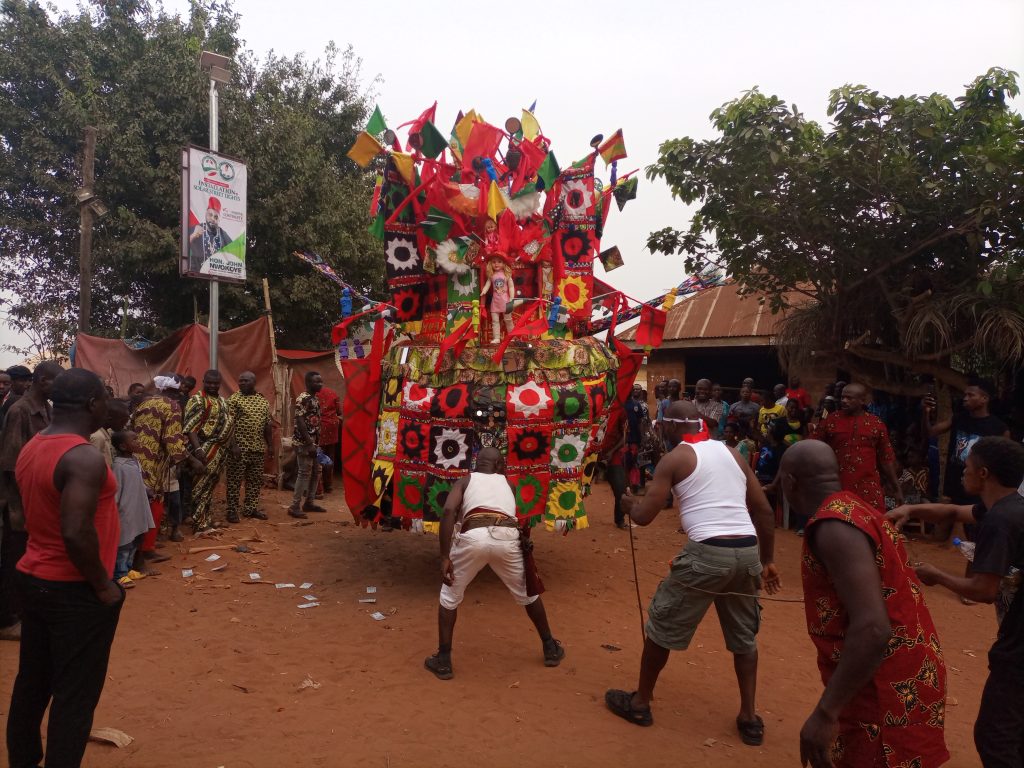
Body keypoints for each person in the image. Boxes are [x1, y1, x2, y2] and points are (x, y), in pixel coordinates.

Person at [604, 401, 780, 743]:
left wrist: (627, 504)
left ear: (670, 427)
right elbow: (763, 511)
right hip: (746, 553)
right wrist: (768, 560)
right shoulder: (732, 453)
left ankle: (640, 702)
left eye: (661, 426)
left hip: (707, 554)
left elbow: (642, 516)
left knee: (662, 625)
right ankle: (749, 717)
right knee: (744, 637)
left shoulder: (674, 459)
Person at [778, 440, 948, 768]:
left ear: (790, 481)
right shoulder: (853, 507)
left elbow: (872, 627)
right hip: (902, 672)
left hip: (884, 686)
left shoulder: (832, 527)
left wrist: (825, 713)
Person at [6, 369, 125, 768]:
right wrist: (103, 586)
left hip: (33, 577)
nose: (108, 405)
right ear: (93, 403)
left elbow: (28, 513)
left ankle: (24, 760)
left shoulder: (35, 445)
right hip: (73, 589)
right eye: (105, 398)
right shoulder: (83, 457)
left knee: (32, 682)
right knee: (75, 693)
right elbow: (76, 532)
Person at [887, 437, 1024, 768]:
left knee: (995, 736)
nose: (963, 472)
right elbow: (951, 510)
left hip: (1019, 646)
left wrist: (936, 574)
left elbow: (982, 589)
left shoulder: (1000, 522)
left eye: (968, 467)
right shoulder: (1010, 508)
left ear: (984, 474)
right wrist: (910, 508)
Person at [424, 447, 564, 680]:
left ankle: (444, 660)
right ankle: (550, 647)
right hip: (507, 537)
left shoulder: (465, 481)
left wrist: (444, 556)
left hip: (473, 536)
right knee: (528, 594)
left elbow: (448, 510)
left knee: (449, 597)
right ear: (500, 466)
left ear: (477, 464)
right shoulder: (508, 484)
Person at [0, 361, 63, 641]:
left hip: (37, 503)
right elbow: (12, 465)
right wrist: (28, 501)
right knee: (14, 562)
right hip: (18, 505)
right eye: (55, 382)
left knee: (30, 560)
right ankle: (7, 620)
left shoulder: (47, 409)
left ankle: (25, 613)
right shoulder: (20, 411)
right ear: (40, 380)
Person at [131, 375, 200, 551]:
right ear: (170, 391)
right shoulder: (172, 406)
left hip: (137, 460)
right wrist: (193, 461)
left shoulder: (144, 402)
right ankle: (145, 550)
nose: (181, 395)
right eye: (178, 392)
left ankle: (144, 548)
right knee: (155, 502)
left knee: (141, 504)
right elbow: (172, 441)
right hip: (155, 463)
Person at [817, 383, 903, 512]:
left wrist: (897, 489)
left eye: (849, 398)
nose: (844, 401)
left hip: (868, 488)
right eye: (842, 397)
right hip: (837, 486)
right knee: (838, 526)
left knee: (872, 526)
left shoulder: (876, 424)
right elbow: (814, 447)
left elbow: (887, 459)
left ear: (862, 400)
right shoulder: (831, 421)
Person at [183, 369, 235, 530]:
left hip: (220, 450)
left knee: (210, 485)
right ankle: (199, 522)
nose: (213, 386)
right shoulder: (197, 400)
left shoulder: (222, 401)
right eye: (210, 382)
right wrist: (198, 451)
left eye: (216, 383)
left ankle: (206, 517)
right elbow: (190, 428)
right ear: (203, 381)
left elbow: (229, 424)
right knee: (200, 485)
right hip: (205, 448)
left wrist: (233, 445)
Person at [226, 371, 273, 521]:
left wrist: (270, 445)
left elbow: (267, 425)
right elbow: (228, 426)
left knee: (254, 481)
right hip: (239, 448)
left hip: (258, 448)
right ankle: (232, 510)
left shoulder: (263, 401)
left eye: (246, 381)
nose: (242, 383)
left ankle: (250, 508)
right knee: (234, 481)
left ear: (254, 382)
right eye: (240, 381)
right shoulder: (234, 400)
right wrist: (233, 445)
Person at [110, 430, 154, 587]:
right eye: (134, 440)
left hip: (137, 507)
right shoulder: (118, 466)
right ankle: (119, 574)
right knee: (124, 543)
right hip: (125, 510)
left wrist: (147, 490)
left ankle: (128, 569)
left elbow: (138, 482)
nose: (138, 442)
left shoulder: (135, 461)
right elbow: (116, 490)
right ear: (122, 446)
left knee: (135, 539)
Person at [288, 371, 326, 519]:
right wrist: (309, 443)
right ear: (308, 383)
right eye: (317, 382)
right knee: (304, 473)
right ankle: (294, 506)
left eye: (321, 381)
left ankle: (309, 502)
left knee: (317, 471)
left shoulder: (314, 398)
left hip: (314, 443)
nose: (320, 384)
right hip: (305, 443)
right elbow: (300, 421)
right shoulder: (303, 399)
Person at [188, 195, 234, 273]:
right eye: (210, 215)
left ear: (219, 219)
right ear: (206, 214)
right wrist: (193, 236)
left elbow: (234, 251)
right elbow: (183, 246)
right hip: (197, 274)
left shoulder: (223, 234)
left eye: (216, 217)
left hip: (218, 273)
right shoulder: (196, 228)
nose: (212, 219)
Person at [624, 384, 653, 493]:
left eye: (635, 389)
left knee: (634, 462)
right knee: (625, 462)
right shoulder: (620, 404)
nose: (632, 391)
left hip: (634, 439)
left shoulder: (637, 405)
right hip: (622, 440)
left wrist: (643, 437)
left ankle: (635, 484)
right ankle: (626, 485)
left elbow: (642, 422)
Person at [316, 383, 342, 495]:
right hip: (332, 428)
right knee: (329, 457)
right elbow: (339, 411)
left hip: (319, 427)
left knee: (318, 457)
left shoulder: (314, 394)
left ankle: (318, 488)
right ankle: (328, 485)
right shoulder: (333, 393)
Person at [90, 398, 130, 468]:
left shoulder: (107, 433)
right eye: (123, 421)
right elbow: (92, 465)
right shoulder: (98, 437)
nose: (124, 425)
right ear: (110, 419)